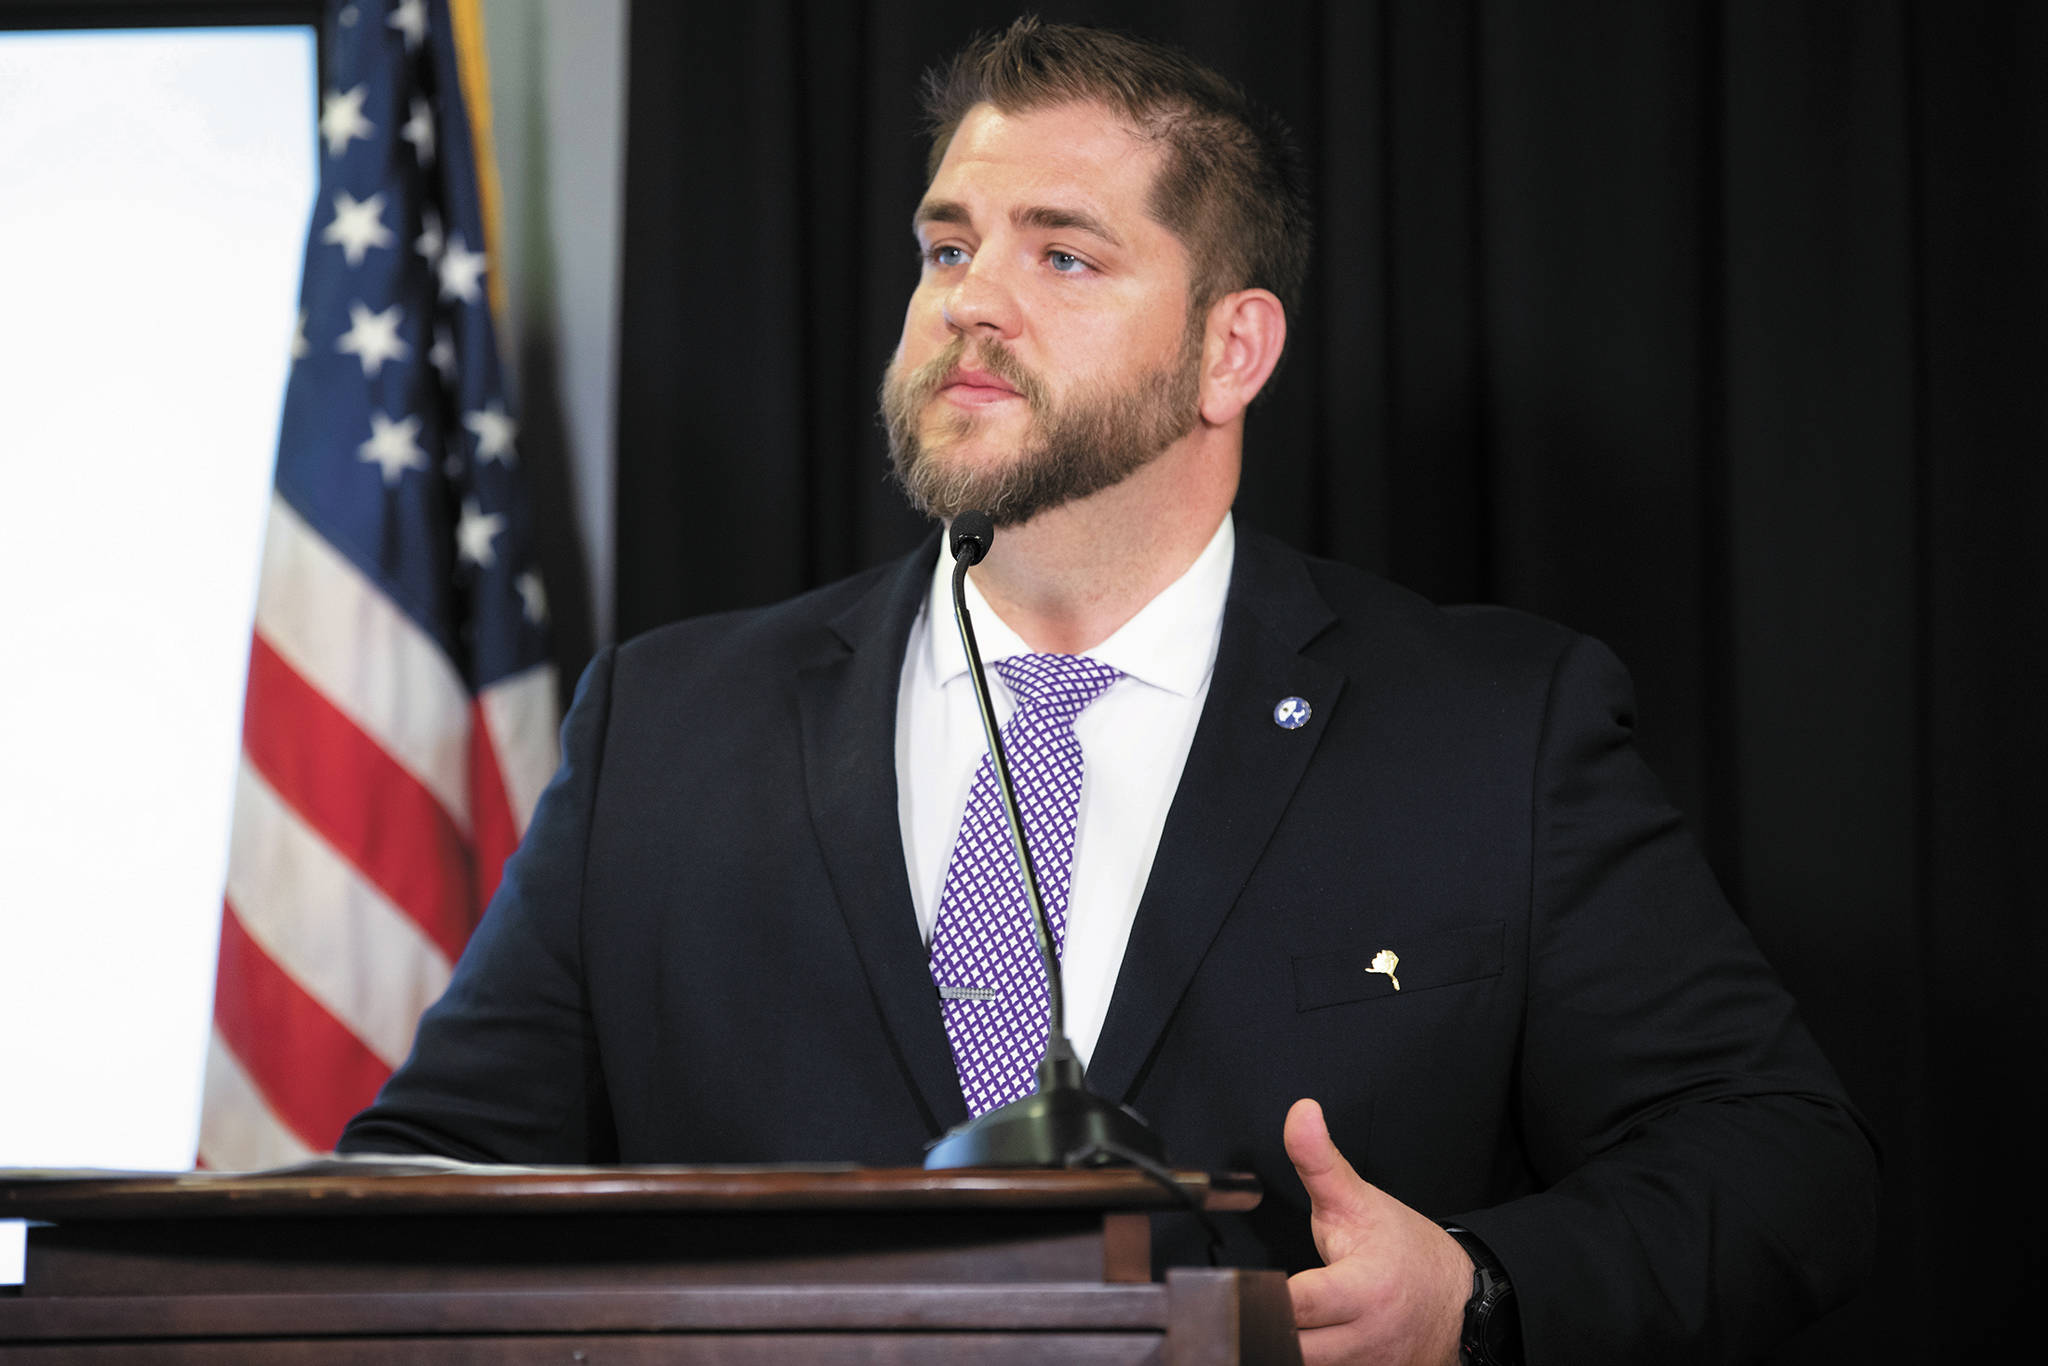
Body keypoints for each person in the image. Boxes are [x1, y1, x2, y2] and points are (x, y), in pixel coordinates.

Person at [341, 19, 1877, 1365]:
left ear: (1232, 350)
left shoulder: (1489, 729)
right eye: (949, 246)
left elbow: (1783, 1164)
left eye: (1062, 254)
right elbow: (423, 1181)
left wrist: (1477, 1293)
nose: (970, 302)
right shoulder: (666, 729)